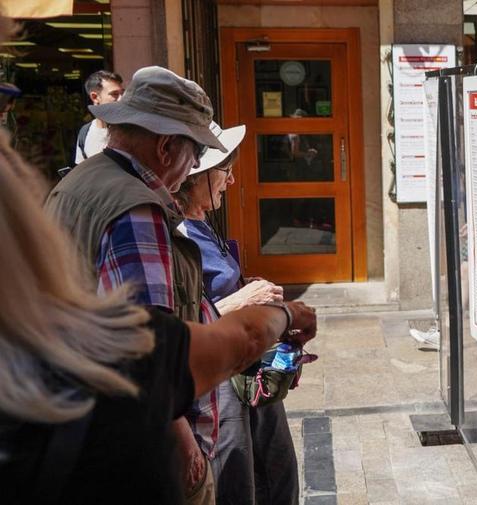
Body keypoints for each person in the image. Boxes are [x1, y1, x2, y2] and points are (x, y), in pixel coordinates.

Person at [0, 118, 318, 505]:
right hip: (202, 391)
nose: (230, 179)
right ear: (168, 152)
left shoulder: (56, 348)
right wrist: (285, 314)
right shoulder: (140, 217)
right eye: (218, 166)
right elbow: (178, 352)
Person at [174, 122, 301, 505]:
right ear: (197, 177)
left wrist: (247, 287)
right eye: (225, 171)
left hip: (246, 365)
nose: (231, 180)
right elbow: (183, 319)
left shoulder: (201, 220)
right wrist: (239, 301)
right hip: (222, 381)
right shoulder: (178, 231)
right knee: (239, 474)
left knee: (276, 467)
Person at [73, 70, 124, 164]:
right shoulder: (85, 133)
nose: (122, 99)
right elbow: (82, 171)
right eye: (115, 94)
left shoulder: (131, 130)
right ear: (95, 97)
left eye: (122, 93)